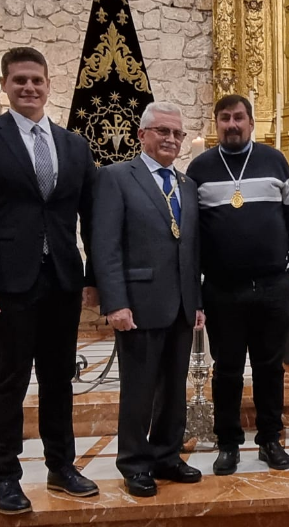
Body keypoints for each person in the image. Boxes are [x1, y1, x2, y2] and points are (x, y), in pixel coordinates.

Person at [0, 47, 98, 515]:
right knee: (9, 379)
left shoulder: (72, 144)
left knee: (59, 379)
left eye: (36, 80)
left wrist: (94, 278)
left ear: (49, 85)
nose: (29, 88)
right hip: (7, 283)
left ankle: (62, 466)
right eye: (20, 81)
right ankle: (6, 476)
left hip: (61, 280)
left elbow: (91, 216)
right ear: (5, 87)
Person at [187, 94, 289, 475]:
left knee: (270, 367)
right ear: (216, 123)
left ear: (251, 122)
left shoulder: (274, 161)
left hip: (273, 286)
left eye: (239, 118)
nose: (232, 125)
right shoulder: (200, 169)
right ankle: (228, 443)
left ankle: (270, 438)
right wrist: (195, 290)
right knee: (227, 370)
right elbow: (190, 237)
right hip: (222, 289)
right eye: (225, 118)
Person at [92, 102, 205, 496]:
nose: (171, 139)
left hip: (180, 304)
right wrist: (115, 302)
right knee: (139, 389)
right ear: (142, 135)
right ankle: (135, 463)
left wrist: (198, 302)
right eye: (162, 131)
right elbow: (104, 246)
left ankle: (167, 455)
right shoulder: (117, 177)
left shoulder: (187, 185)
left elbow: (191, 250)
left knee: (174, 386)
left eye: (177, 133)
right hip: (137, 304)